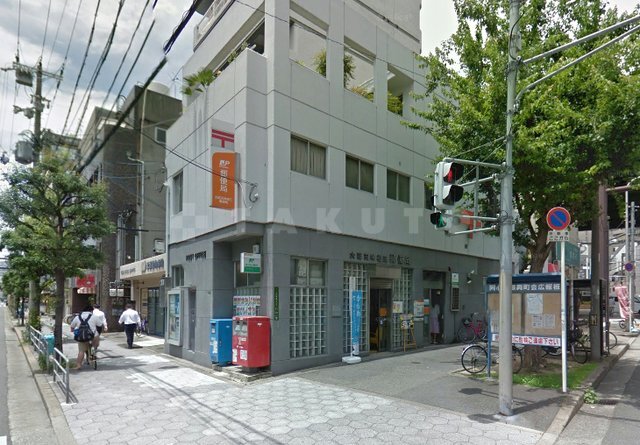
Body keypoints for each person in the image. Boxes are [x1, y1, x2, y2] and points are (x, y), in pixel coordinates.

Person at [69, 305, 102, 369]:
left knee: (81, 351)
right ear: (91, 311)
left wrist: (73, 331)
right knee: (95, 344)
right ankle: (93, 353)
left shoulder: (77, 317)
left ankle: (78, 365)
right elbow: (100, 325)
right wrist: (98, 333)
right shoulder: (94, 316)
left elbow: (72, 327)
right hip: (93, 336)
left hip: (82, 337)